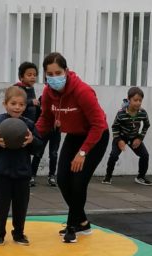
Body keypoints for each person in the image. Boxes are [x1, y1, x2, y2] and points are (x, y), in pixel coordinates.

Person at [35, 52, 109, 243]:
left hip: (95, 137)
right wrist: (30, 136)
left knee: (78, 182)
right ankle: (83, 222)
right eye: (49, 74)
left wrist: (83, 152)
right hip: (74, 136)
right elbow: (46, 119)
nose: (54, 78)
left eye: (57, 73)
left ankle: (72, 227)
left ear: (66, 71)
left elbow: (98, 125)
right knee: (62, 179)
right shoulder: (47, 93)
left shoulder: (82, 91)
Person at [0, 86, 40, 246]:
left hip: (22, 173)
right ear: (5, 104)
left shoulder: (29, 125)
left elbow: (39, 147)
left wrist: (31, 141)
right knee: (2, 205)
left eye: (21, 104)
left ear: (25, 107)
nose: (17, 107)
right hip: (3, 172)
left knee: (21, 206)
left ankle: (19, 233)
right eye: (13, 103)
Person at [14, 62, 61, 187]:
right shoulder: (18, 88)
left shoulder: (35, 91)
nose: (33, 77)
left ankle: (49, 175)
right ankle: (27, 175)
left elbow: (41, 111)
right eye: (29, 75)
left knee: (52, 153)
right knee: (30, 152)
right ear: (21, 77)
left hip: (37, 127)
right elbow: (15, 103)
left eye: (35, 75)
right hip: (21, 126)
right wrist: (30, 102)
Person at [102, 87, 152, 186]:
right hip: (121, 136)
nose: (138, 103)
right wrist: (119, 140)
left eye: (140, 100)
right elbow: (114, 127)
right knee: (113, 155)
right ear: (129, 99)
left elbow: (147, 125)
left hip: (134, 137)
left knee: (145, 155)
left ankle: (140, 177)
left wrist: (139, 138)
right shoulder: (121, 113)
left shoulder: (143, 113)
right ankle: (108, 176)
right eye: (135, 100)